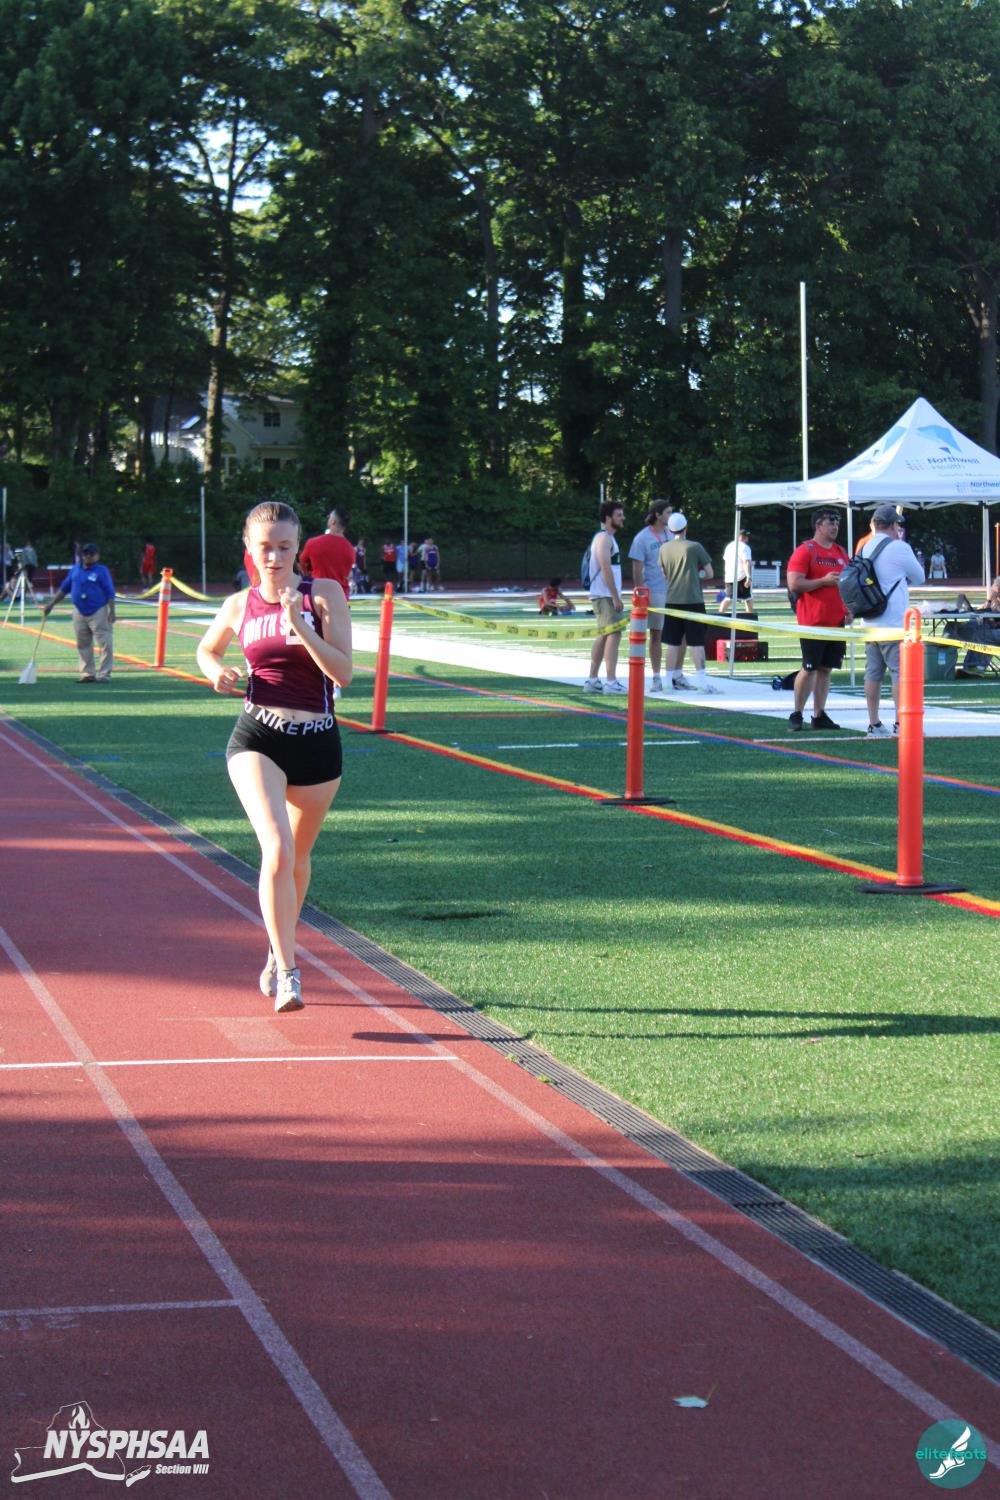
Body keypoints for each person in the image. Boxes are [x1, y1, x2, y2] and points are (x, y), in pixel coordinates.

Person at [196, 501, 351, 1014]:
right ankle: (288, 972)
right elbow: (207, 649)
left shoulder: (323, 594)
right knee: (278, 849)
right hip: (258, 736)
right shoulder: (239, 604)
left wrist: (300, 625)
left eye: (285, 547)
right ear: (249, 548)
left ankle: (275, 947)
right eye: (265, 547)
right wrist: (215, 671)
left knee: (298, 860)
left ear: (297, 546)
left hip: (318, 742)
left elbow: (343, 673)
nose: (275, 557)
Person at [857, 505, 926, 735]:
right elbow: (919, 577)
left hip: (869, 621)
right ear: (893, 525)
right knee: (900, 674)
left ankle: (874, 723)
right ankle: (901, 723)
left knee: (872, 673)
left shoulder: (864, 547)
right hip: (893, 623)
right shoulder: (899, 547)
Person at [786, 508, 850, 731]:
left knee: (826, 669)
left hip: (836, 621)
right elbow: (794, 583)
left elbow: (847, 583)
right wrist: (822, 581)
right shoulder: (806, 550)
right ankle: (797, 713)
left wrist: (848, 608)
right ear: (818, 525)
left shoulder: (841, 551)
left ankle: (819, 714)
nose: (835, 526)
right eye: (830, 522)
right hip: (812, 621)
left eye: (837, 522)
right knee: (809, 667)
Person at [657, 512, 719, 693]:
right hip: (693, 600)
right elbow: (710, 573)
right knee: (697, 643)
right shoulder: (695, 547)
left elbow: (664, 574)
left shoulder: (664, 548)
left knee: (672, 643)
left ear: (670, 530)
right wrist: (697, 574)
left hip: (672, 600)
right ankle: (702, 684)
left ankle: (667, 683)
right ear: (686, 527)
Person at [41, 541, 116, 682]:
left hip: (98, 610)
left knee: (105, 642)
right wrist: (51, 604)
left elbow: (110, 592)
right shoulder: (75, 569)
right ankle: (87, 674)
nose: (88, 556)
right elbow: (64, 589)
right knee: (83, 644)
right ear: (82, 555)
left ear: (97, 556)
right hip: (79, 612)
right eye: (85, 553)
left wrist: (112, 611)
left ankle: (104, 674)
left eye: (91, 554)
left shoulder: (101, 571)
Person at [628, 499, 672, 690]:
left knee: (678, 635)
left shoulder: (672, 533)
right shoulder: (642, 538)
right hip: (654, 591)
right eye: (668, 512)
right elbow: (637, 568)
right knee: (656, 634)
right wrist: (641, 594)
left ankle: (676, 675)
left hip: (674, 590)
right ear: (657, 514)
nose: (671, 516)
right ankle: (656, 677)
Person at [583, 501, 626, 693]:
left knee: (604, 635)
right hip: (605, 595)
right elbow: (605, 567)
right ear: (608, 518)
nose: (622, 518)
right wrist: (615, 597)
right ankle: (610, 681)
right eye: (619, 515)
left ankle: (592, 680)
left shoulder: (607, 538)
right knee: (614, 634)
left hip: (604, 594)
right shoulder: (604, 538)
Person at [300, 508, 356, 599]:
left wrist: (308, 574)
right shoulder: (351, 549)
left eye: (329, 517)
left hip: (318, 594)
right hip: (341, 597)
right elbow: (347, 573)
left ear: (333, 521)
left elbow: (302, 563)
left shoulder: (313, 543)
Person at [720, 529, 754, 615]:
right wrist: (748, 577)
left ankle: (720, 615)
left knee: (728, 598)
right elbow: (746, 562)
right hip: (741, 576)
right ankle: (750, 616)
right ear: (745, 537)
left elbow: (726, 560)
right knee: (748, 598)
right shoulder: (745, 547)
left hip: (729, 576)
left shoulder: (729, 546)